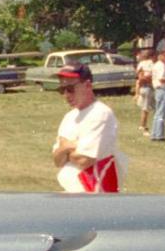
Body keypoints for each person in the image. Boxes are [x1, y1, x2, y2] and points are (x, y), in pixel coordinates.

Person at [51, 64, 121, 192]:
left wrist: (64, 149)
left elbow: (85, 160)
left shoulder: (101, 113)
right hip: (72, 191)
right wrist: (69, 147)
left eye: (70, 89)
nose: (66, 95)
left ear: (88, 85)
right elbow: (57, 161)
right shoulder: (69, 117)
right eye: (62, 89)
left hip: (95, 193)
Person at [149, 46, 165, 142]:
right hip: (163, 90)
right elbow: (162, 79)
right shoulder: (161, 66)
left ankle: (155, 134)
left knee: (158, 113)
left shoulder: (158, 65)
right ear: (160, 56)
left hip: (160, 90)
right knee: (161, 113)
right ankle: (159, 135)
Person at [134, 48, 156, 134]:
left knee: (146, 108)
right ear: (153, 56)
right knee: (146, 108)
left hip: (143, 88)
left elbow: (139, 76)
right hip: (148, 87)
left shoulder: (141, 64)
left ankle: (145, 125)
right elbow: (146, 76)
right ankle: (143, 126)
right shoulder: (151, 64)